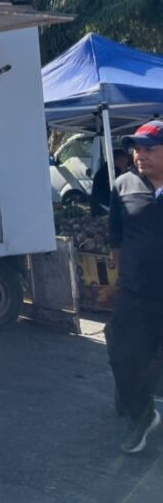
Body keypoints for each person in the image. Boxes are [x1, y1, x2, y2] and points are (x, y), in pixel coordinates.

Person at [106, 120, 163, 454]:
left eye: (150, 149)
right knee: (123, 357)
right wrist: (117, 278)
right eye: (136, 149)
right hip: (137, 293)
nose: (140, 155)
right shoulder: (124, 184)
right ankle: (141, 415)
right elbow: (116, 233)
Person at [91, 148, 131, 217]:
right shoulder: (110, 173)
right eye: (124, 161)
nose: (126, 164)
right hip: (104, 208)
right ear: (117, 160)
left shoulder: (104, 171)